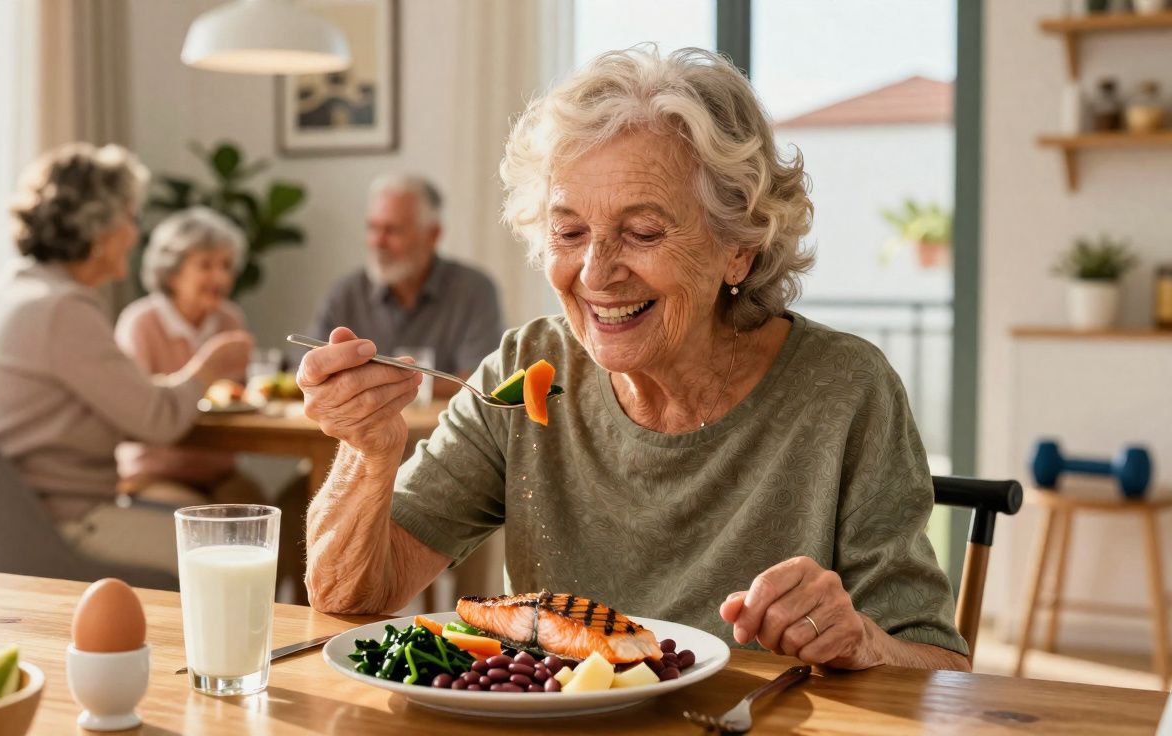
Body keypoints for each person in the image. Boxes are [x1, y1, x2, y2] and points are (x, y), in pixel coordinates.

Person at [297, 47, 970, 672]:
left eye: (643, 232)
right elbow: (350, 598)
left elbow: (940, 669)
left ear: (741, 246)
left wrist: (863, 641)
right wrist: (368, 453)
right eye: (569, 231)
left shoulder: (845, 388)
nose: (596, 272)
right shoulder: (527, 368)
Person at [0, 143, 253, 575]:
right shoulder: (62, 310)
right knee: (232, 553)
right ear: (99, 230)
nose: (134, 234)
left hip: (10, 517)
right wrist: (207, 369)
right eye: (130, 218)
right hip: (61, 522)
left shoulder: (14, 292)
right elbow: (156, 420)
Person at [308, 174, 503, 397]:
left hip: (443, 429)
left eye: (392, 230)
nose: (378, 242)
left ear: (432, 235)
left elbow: (480, 382)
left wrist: (374, 390)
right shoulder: (344, 293)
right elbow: (311, 371)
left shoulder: (475, 290)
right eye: (372, 228)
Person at [114, 207, 253, 498]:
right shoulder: (140, 323)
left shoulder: (230, 320)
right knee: (220, 524)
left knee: (271, 517)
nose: (220, 276)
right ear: (173, 273)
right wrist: (202, 371)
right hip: (152, 474)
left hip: (217, 473)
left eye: (226, 265)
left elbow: (239, 394)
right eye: (206, 265)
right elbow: (133, 406)